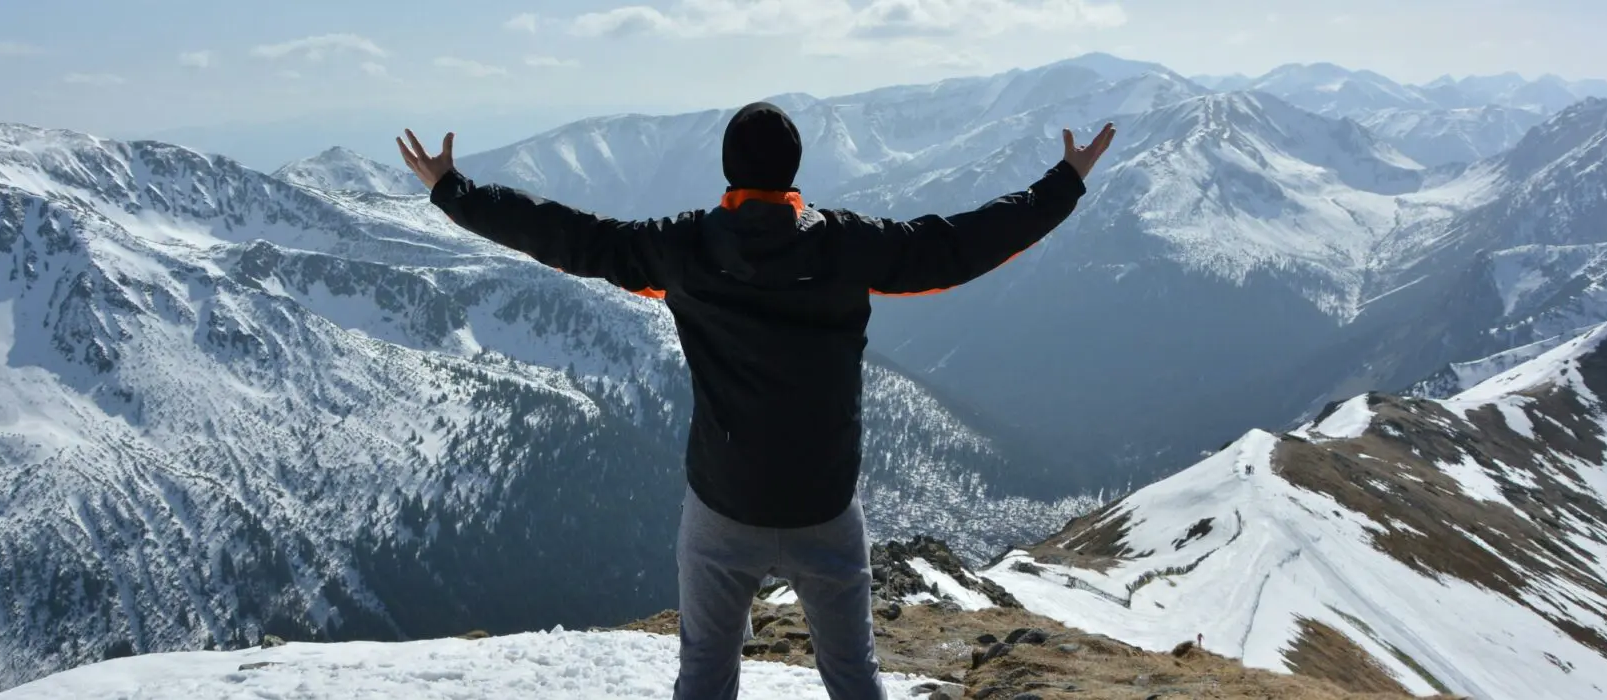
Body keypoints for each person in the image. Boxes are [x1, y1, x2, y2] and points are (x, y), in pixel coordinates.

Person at [397, 102, 1116, 700]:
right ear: (794, 170)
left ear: (728, 173)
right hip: (825, 506)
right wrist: (1064, 182)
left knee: (706, 675)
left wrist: (455, 191)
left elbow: (571, 238)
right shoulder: (847, 246)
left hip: (723, 506)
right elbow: (959, 245)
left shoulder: (679, 249)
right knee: (853, 678)